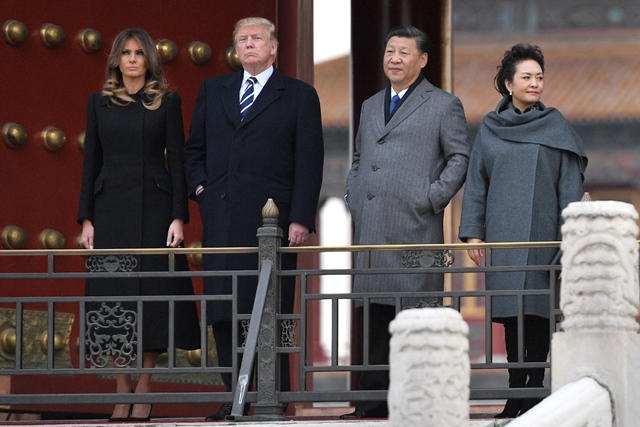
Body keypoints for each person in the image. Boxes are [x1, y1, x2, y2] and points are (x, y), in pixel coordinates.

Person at [183, 17, 324, 420]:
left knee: (268, 311)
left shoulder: (298, 96)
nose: (248, 45)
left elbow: (309, 163)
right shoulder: (214, 90)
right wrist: (202, 193)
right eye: (241, 39)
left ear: (274, 47)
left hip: (273, 225)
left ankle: (272, 397)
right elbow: (194, 151)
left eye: (256, 39)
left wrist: (299, 218)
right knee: (224, 311)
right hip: (222, 220)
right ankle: (234, 398)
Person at [342, 25, 471, 419]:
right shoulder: (369, 104)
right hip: (372, 226)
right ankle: (371, 401)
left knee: (413, 317)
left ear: (423, 59)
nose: (394, 59)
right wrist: (353, 194)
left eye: (403, 52)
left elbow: (459, 158)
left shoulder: (443, 104)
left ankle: (415, 399)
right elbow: (361, 158)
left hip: (414, 226)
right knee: (374, 317)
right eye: (389, 52)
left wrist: (431, 198)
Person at [77, 28, 201, 422]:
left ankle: (145, 384)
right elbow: (89, 164)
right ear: (115, 59)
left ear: (149, 60)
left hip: (155, 208)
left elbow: (178, 162)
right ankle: (121, 387)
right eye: (125, 53)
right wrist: (86, 219)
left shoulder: (166, 101)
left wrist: (179, 216)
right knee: (113, 298)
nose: (132, 59)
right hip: (109, 207)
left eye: (139, 53)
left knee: (152, 296)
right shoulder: (98, 104)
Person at [458, 43, 588, 419]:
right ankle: (517, 389)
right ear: (508, 84)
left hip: (546, 236)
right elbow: (477, 183)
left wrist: (568, 238)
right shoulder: (490, 128)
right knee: (510, 315)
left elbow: (569, 189)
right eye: (527, 77)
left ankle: (534, 388)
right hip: (503, 235)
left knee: (538, 314)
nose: (535, 83)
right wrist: (474, 233)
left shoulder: (557, 127)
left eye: (539, 77)